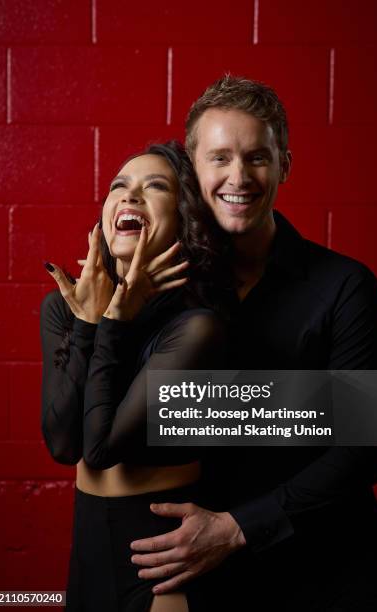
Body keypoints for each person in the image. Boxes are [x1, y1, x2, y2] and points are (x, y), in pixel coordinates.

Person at [129, 77, 377, 610]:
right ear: (193, 170)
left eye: (257, 158)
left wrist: (235, 527)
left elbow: (363, 451)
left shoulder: (347, 286)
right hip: (209, 582)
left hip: (336, 575)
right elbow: (123, 426)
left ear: (284, 167)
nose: (239, 176)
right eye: (220, 157)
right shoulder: (164, 290)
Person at [40, 141, 233, 611]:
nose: (129, 197)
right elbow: (64, 445)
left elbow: (103, 449)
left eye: (155, 187)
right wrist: (88, 323)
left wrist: (110, 325)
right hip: (87, 543)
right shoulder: (62, 309)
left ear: (183, 216)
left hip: (159, 555)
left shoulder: (195, 326)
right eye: (119, 187)